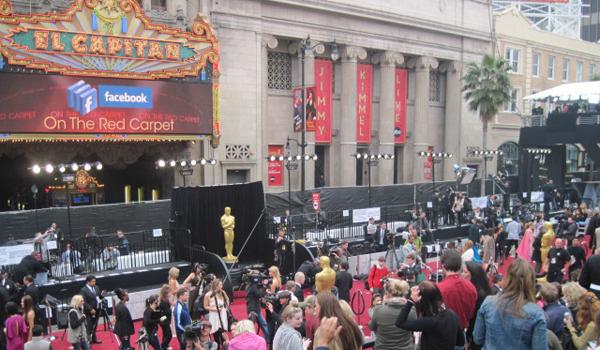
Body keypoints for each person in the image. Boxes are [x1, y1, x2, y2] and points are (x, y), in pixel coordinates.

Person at [473, 258, 547, 349]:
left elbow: (477, 338)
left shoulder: (489, 302)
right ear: (530, 282)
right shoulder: (536, 313)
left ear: (507, 278)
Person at [395, 281, 465, 349]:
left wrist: (411, 301)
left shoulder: (429, 322)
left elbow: (400, 323)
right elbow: (460, 342)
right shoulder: (451, 314)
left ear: (422, 300)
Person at [369, 279, 416, 350]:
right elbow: (413, 328)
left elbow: (372, 327)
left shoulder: (379, 310)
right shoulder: (411, 310)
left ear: (387, 294)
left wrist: (383, 305)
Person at [437, 249, 477, 332]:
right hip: (462, 331)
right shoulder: (471, 286)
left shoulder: (439, 288)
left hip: (444, 333)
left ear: (443, 267)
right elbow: (471, 313)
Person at [463, 262, 492, 350]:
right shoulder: (475, 289)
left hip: (476, 334)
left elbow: (476, 319)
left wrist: (468, 336)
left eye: (464, 272)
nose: (461, 274)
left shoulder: (479, 294)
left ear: (473, 275)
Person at [203, 279, 229, 346]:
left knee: (223, 334)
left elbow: (227, 301)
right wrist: (214, 309)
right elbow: (205, 306)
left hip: (222, 315)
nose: (222, 286)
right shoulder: (208, 295)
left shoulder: (223, 292)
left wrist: (225, 307)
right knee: (216, 335)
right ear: (216, 286)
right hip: (213, 315)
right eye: (220, 285)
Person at [79, 275, 102, 344]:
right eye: (93, 282)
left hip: (97, 309)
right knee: (89, 326)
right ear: (88, 282)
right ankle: (87, 341)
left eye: (95, 281)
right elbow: (83, 301)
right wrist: (90, 309)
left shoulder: (96, 287)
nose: (94, 283)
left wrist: (102, 296)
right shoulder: (83, 290)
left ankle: (94, 338)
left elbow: (99, 297)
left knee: (95, 325)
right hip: (89, 311)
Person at [245, 275, 269, 341]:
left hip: (253, 308)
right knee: (259, 325)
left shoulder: (249, 285)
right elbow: (259, 294)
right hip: (254, 309)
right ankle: (268, 339)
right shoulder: (253, 286)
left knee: (261, 324)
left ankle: (267, 339)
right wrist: (264, 286)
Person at [157, 285, 172, 350]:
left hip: (165, 321)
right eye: (169, 292)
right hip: (164, 322)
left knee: (165, 334)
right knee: (169, 335)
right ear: (166, 294)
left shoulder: (165, 300)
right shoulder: (163, 302)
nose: (170, 294)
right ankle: (163, 346)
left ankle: (165, 346)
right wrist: (163, 321)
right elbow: (163, 314)